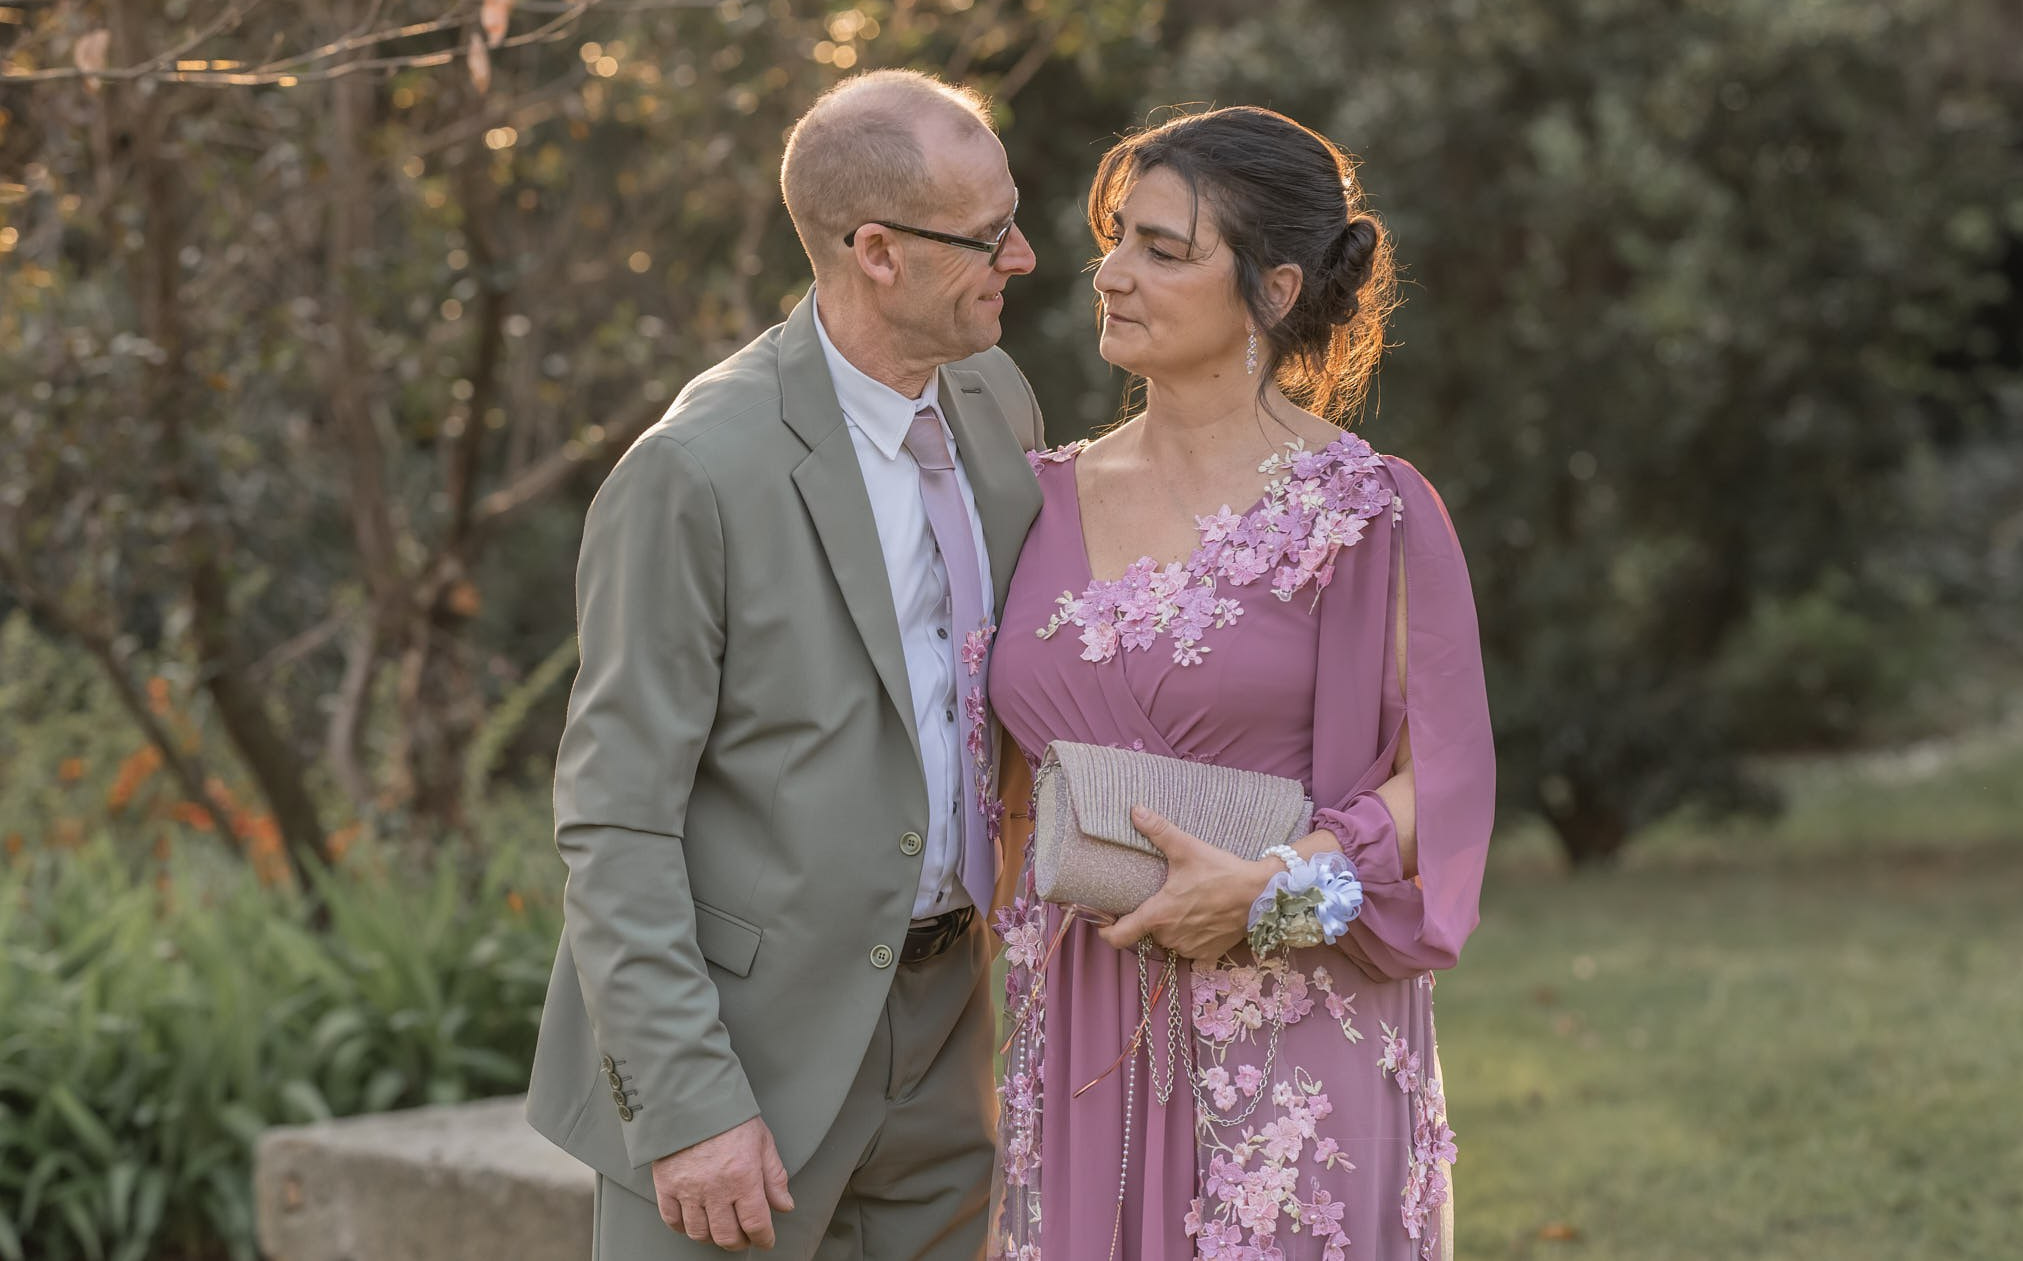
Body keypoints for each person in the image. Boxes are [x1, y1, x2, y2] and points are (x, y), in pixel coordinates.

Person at [525, 69, 1046, 1260]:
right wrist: (689, 1104)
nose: (1021, 257)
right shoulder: (692, 472)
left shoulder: (998, 400)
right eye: (987, 235)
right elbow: (615, 820)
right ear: (875, 250)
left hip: (952, 1035)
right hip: (742, 1066)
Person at [986, 106, 1494, 1260]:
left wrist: (1272, 894)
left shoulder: (1369, 512)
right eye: (1116, 238)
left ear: (1270, 289)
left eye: (1162, 251)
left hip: (1292, 1037)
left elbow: (1448, 793)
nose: (1108, 273)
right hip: (1076, 1024)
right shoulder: (1031, 500)